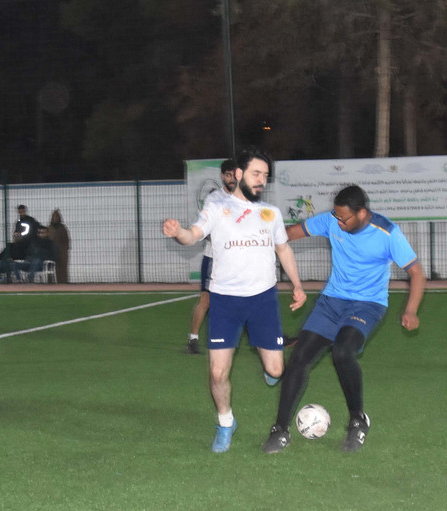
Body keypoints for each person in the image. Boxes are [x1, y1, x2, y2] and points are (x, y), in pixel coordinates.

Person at [162, 148, 306, 454]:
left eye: (265, 176)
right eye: (256, 173)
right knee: (217, 373)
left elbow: (283, 249)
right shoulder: (217, 207)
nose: (261, 180)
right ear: (239, 174)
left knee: (277, 371)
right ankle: (226, 423)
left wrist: (297, 284)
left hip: (262, 299)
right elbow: (193, 235)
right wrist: (179, 233)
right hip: (225, 301)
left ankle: (269, 365)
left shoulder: (271, 213)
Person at [264, 184, 424, 454]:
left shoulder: (387, 233)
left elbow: (416, 273)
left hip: (368, 304)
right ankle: (280, 430)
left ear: (361, 213)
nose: (338, 222)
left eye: (344, 218)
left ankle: (358, 420)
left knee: (342, 352)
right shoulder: (332, 220)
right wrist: (262, 240)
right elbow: (289, 234)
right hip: (331, 301)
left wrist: (411, 310)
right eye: (336, 216)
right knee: (299, 358)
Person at [186, 160, 237, 353]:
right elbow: (205, 229)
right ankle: (193, 339)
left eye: (235, 175)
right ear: (222, 176)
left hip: (236, 259)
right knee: (206, 300)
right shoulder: (214, 199)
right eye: (228, 175)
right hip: (214, 259)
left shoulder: (244, 198)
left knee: (245, 298)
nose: (232, 179)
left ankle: (264, 338)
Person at [47, 209, 70, 283]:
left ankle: (64, 282)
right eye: (54, 217)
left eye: (56, 217)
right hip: (52, 251)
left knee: (63, 268)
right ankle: (51, 283)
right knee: (51, 268)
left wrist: (65, 249)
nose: (55, 218)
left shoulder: (62, 228)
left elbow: (66, 240)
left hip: (62, 251)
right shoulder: (49, 228)